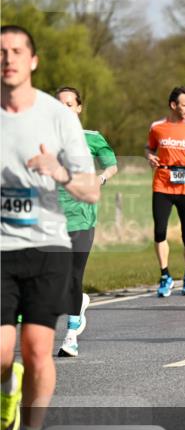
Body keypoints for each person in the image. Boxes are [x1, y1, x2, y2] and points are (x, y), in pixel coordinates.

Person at [1, 25, 100, 430]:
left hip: (47, 246)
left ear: (33, 61)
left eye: (17, 51)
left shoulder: (58, 118)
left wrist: (58, 172)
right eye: (1, 52)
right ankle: (8, 388)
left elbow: (91, 190)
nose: (8, 59)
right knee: (3, 353)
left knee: (38, 349)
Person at [55, 87, 118, 357]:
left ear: (79, 108)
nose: (64, 109)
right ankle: (77, 303)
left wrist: (100, 178)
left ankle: (71, 335)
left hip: (82, 218)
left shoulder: (92, 138)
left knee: (73, 275)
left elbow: (112, 165)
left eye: (69, 104)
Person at [146, 87, 185, 297]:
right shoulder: (157, 127)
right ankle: (165, 276)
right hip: (162, 185)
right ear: (173, 105)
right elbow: (149, 148)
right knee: (159, 232)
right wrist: (150, 156)